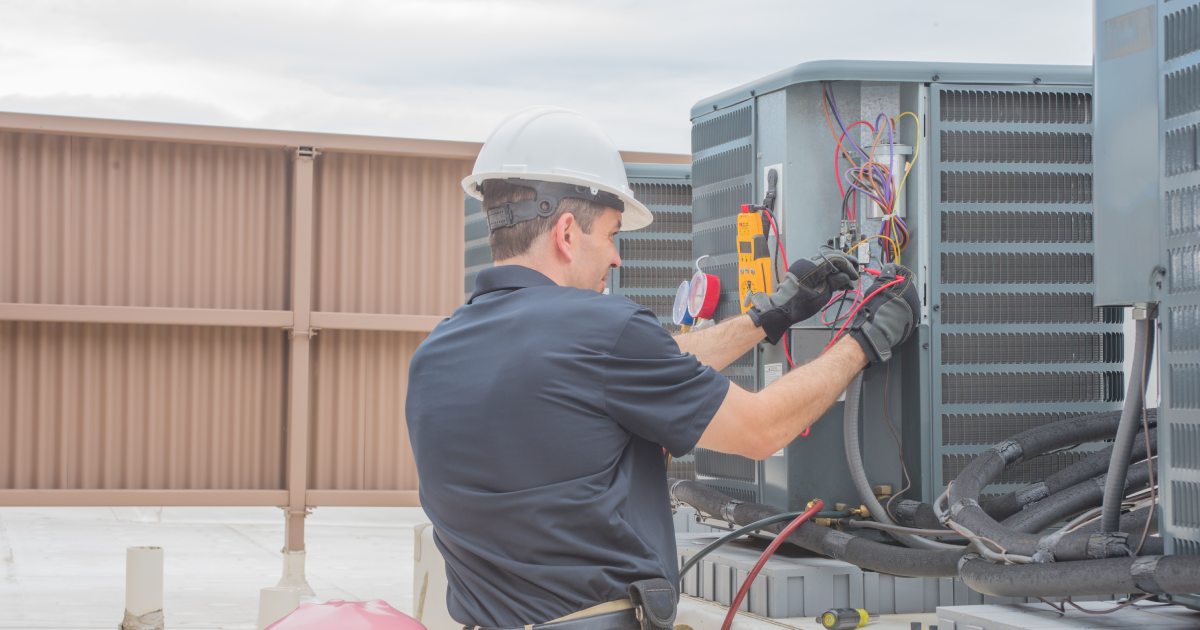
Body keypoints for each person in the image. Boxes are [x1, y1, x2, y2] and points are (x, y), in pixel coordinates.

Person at [406, 107, 919, 630]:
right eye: (610, 236)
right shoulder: (601, 331)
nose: (617, 260)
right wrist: (864, 339)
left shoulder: (437, 352)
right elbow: (762, 429)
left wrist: (771, 316)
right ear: (565, 232)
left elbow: (639, 370)